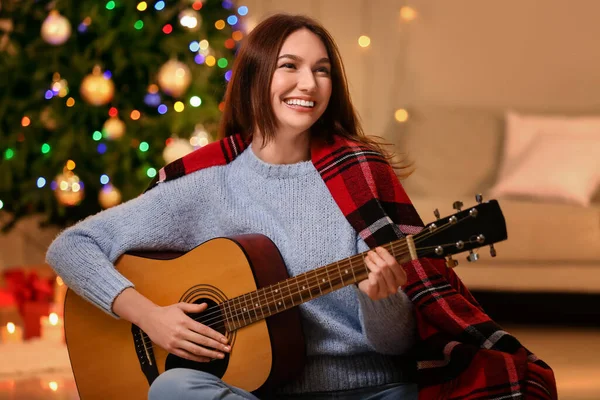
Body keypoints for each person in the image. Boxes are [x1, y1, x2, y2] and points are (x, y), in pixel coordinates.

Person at [46, 13, 419, 400]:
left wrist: (384, 299)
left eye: (322, 71)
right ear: (254, 76)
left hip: (373, 389)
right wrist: (151, 318)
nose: (308, 84)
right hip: (260, 393)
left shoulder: (357, 176)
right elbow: (71, 246)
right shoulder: (208, 184)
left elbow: (396, 345)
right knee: (173, 387)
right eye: (289, 66)